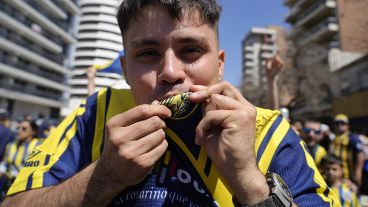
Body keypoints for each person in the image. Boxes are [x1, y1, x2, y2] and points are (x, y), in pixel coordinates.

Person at [3, 1, 339, 206]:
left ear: (220, 64)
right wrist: (103, 178)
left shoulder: (268, 132)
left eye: (191, 50)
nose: (170, 73)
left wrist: (248, 181)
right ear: (124, 69)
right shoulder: (96, 113)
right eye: (148, 53)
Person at [0, 120, 41, 200]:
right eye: (18, 127)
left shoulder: (38, 146)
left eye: (24, 128)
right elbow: (5, 164)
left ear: (33, 132)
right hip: (8, 184)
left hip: (25, 187)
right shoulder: (11, 144)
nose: (19, 130)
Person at [329, 114, 365, 188]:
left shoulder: (352, 138)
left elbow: (361, 155)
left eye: (342, 123)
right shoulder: (334, 139)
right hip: (337, 178)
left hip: (349, 179)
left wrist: (357, 174)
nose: (340, 125)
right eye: (337, 123)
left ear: (347, 125)